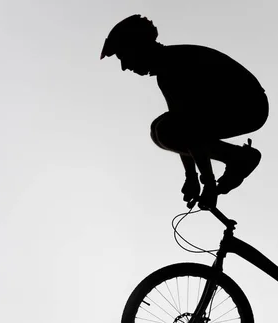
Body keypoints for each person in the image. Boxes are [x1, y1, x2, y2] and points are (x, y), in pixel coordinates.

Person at [100, 14, 269, 209]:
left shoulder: (174, 66)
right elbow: (183, 126)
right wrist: (191, 176)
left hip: (248, 106)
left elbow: (188, 129)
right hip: (238, 106)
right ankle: (238, 158)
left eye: (123, 56)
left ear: (137, 47)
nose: (124, 67)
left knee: (164, 130)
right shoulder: (166, 68)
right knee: (159, 129)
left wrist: (208, 184)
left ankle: (238, 158)